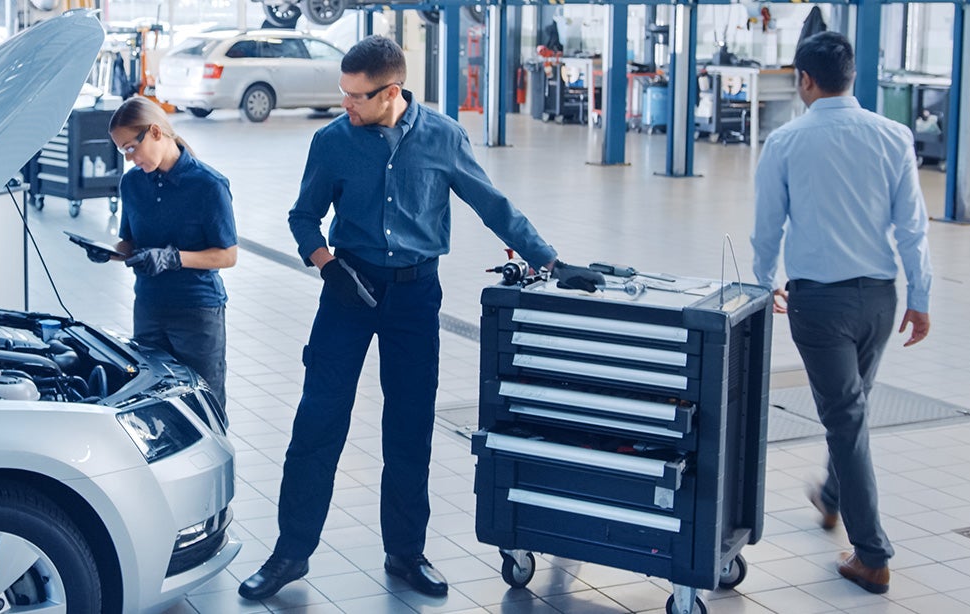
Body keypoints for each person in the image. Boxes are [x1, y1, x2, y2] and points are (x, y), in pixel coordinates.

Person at [238, 35, 601, 601]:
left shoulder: (442, 137)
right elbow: (303, 215)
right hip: (347, 293)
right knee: (316, 423)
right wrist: (326, 265)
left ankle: (406, 552)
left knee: (408, 429)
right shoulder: (333, 142)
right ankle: (290, 553)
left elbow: (492, 204)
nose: (346, 106)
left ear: (391, 92)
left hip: (413, 299)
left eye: (356, 97)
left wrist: (549, 261)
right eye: (343, 94)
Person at [750, 31, 932, 596]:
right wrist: (920, 297)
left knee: (846, 416)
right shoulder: (893, 135)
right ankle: (832, 496)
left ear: (805, 80)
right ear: (851, 76)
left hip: (819, 304)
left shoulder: (785, 142)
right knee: (849, 409)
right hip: (880, 300)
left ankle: (872, 555)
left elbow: (766, 228)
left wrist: (760, 287)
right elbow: (912, 227)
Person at [87, 97, 238, 408]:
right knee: (152, 402)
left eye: (131, 148)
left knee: (203, 403)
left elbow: (227, 255)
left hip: (197, 312)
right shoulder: (131, 184)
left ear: (155, 131)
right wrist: (109, 252)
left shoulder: (208, 185)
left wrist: (173, 257)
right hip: (149, 308)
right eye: (122, 151)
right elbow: (129, 242)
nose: (129, 159)